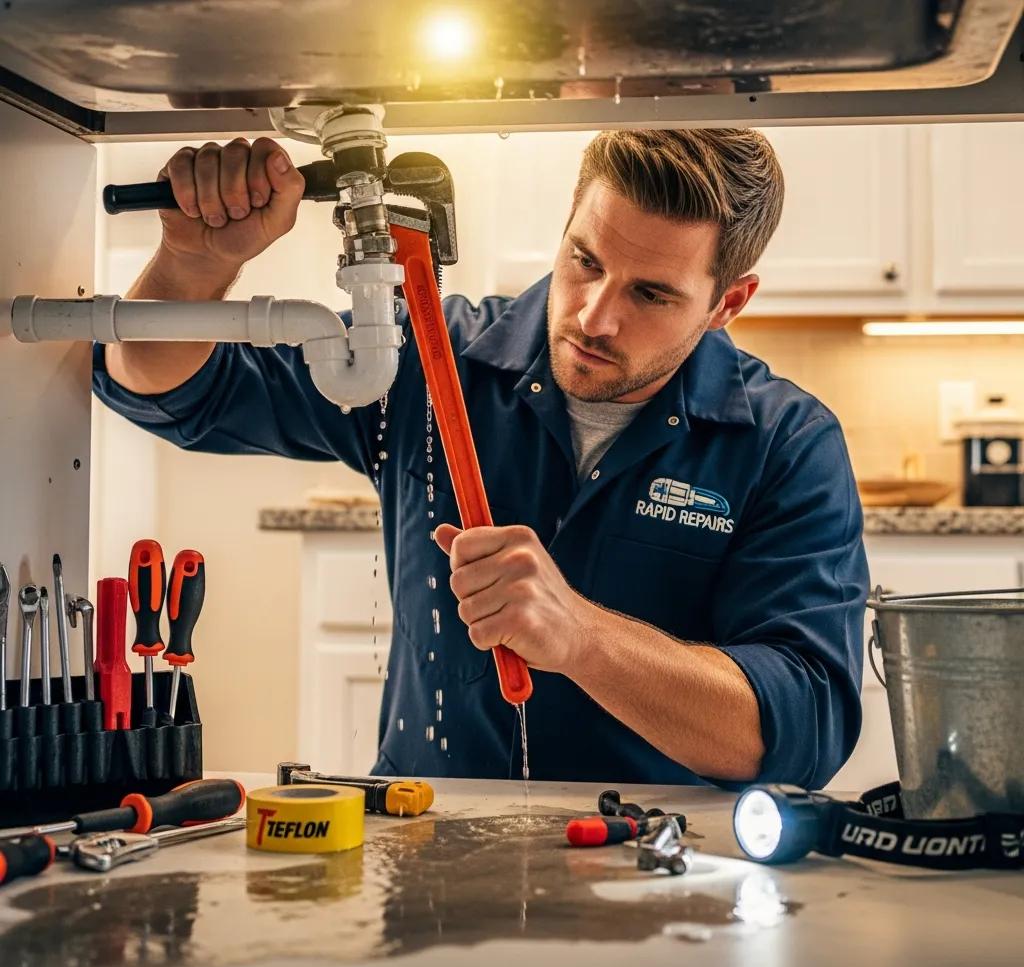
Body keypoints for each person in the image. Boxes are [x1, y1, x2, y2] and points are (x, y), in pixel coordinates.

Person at [94, 129, 869, 788]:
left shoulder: (785, 443)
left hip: (664, 870)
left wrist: (583, 639)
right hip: (427, 848)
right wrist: (193, 265)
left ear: (728, 302)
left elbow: (802, 730)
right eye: (586, 260)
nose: (595, 317)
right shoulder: (434, 357)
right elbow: (167, 387)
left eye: (652, 294)